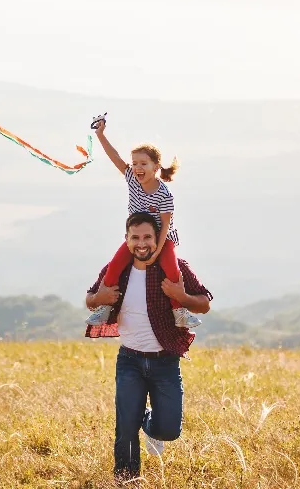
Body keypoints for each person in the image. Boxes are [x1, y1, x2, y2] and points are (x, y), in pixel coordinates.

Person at [84, 211, 214, 482]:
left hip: (165, 360)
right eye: (135, 237)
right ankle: (126, 481)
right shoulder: (116, 269)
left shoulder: (175, 267)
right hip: (129, 359)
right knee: (125, 428)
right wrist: (100, 297)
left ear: (158, 240)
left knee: (169, 429)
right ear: (127, 240)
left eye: (147, 237)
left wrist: (181, 296)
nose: (141, 243)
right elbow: (90, 299)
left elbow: (204, 303)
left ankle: (149, 424)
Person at [84, 118, 202, 329]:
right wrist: (100, 135)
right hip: (137, 236)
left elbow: (166, 225)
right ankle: (105, 308)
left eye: (143, 164)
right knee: (114, 266)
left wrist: (157, 252)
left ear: (156, 167)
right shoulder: (131, 178)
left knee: (172, 271)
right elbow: (115, 157)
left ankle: (179, 311)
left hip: (162, 238)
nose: (137, 168)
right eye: (135, 163)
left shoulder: (164, 194)